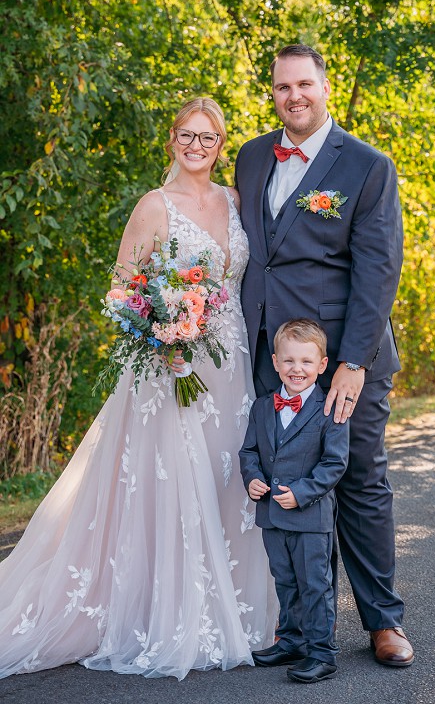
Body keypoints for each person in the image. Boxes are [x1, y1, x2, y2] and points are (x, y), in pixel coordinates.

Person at [0, 97, 277, 680]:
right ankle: (163, 611)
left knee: (227, 477)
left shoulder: (233, 201)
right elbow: (123, 289)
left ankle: (234, 610)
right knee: (175, 480)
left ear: (221, 145)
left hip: (230, 362)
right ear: (172, 138)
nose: (197, 147)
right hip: (170, 366)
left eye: (209, 139)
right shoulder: (154, 206)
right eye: (188, 136)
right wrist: (163, 332)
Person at [235, 44, 414, 666]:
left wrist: (353, 363)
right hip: (270, 358)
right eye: (283, 87)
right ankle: (303, 629)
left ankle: (383, 622)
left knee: (360, 481)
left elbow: (378, 269)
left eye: (304, 84)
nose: (295, 97)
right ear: (274, 93)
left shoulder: (367, 166)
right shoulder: (252, 156)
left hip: (344, 362)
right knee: (287, 489)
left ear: (325, 87)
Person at [239, 319, 349, 683]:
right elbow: (249, 452)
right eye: (289, 361)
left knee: (314, 584)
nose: (296, 369)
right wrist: (253, 479)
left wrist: (301, 494)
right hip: (272, 517)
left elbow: (335, 463)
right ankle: (291, 640)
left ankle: (322, 652)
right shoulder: (261, 407)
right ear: (275, 362)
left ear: (321, 365)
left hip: (310, 517)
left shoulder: (330, 408)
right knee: (284, 580)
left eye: (305, 362)